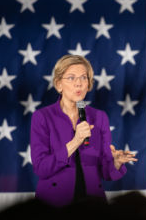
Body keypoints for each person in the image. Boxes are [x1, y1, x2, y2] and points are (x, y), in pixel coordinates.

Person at [30, 55, 137, 206]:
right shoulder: (42, 117)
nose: (79, 84)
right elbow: (41, 168)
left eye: (84, 78)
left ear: (89, 84)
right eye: (71, 78)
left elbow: (106, 172)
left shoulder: (99, 117)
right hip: (53, 204)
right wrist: (75, 142)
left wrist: (116, 162)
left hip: (92, 203)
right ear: (58, 84)